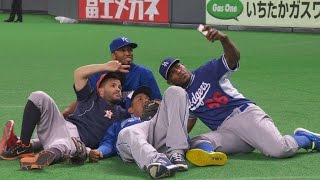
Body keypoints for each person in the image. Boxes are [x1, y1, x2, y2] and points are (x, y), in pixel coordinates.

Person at [158, 25, 320, 166]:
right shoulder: (183, 97)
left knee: (280, 150)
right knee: (195, 143)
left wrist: (224, 39)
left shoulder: (207, 71)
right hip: (227, 133)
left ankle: (306, 138)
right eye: (172, 73)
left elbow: (233, 58)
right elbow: (186, 126)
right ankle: (209, 156)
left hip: (244, 115)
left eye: (178, 66)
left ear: (183, 65)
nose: (178, 71)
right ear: (170, 82)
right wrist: (166, 137)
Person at [0, 61, 130, 170]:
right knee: (38, 96)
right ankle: (23, 145)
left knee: (67, 144)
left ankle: (21, 146)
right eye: (112, 85)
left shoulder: (122, 114)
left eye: (119, 86)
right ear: (100, 90)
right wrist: (105, 67)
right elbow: (79, 73)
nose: (118, 89)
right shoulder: (90, 97)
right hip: (62, 125)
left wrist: (100, 151)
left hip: (78, 141)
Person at [90, 85, 192, 179]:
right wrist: (100, 151)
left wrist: (163, 112)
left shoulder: (156, 120)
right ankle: (157, 161)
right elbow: (109, 141)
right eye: (140, 99)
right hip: (130, 146)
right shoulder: (122, 123)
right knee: (128, 132)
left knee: (175, 90)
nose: (146, 101)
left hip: (156, 136)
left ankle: (177, 154)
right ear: (130, 109)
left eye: (148, 99)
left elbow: (179, 131)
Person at [62, 36, 162, 117]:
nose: (128, 53)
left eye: (130, 50)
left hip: (134, 119)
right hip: (104, 117)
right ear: (113, 55)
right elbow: (83, 100)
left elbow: (157, 101)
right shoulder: (100, 75)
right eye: (123, 50)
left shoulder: (144, 74)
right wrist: (64, 114)